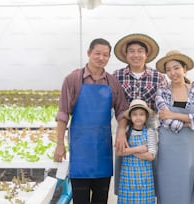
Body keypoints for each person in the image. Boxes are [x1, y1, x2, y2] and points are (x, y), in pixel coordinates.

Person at [53, 38, 128, 204]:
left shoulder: (112, 82)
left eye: (105, 55)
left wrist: (121, 131)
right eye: (97, 53)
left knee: (101, 199)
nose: (101, 58)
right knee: (80, 200)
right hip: (81, 150)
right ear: (89, 53)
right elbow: (63, 113)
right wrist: (59, 144)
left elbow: (122, 111)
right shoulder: (73, 79)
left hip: (102, 149)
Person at [112, 33, 168, 194]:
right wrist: (121, 130)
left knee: (152, 157)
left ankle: (151, 193)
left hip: (150, 122)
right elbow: (114, 103)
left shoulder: (158, 77)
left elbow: (168, 97)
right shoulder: (117, 76)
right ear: (126, 55)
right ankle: (124, 192)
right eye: (131, 51)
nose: (136, 55)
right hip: (124, 122)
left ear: (146, 55)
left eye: (140, 51)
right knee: (123, 155)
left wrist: (192, 85)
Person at [154, 50, 194, 204]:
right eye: (168, 70)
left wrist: (174, 114)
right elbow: (167, 122)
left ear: (185, 69)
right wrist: (192, 121)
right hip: (168, 146)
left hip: (189, 146)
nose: (172, 73)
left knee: (187, 181)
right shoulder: (162, 92)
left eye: (176, 68)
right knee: (168, 181)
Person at [116, 99, 157, 204]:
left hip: (145, 178)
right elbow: (119, 152)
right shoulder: (125, 132)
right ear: (130, 117)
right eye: (135, 114)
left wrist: (129, 151)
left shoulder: (150, 132)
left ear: (146, 117)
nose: (138, 117)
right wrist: (139, 149)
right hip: (128, 178)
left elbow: (151, 155)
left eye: (141, 114)